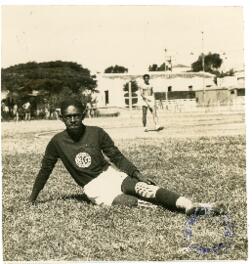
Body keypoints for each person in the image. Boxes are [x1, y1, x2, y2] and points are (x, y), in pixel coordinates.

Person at [29, 98, 224, 216]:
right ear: (61, 117)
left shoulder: (96, 132)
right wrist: (33, 198)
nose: (73, 120)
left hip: (110, 175)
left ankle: (190, 205)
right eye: (68, 116)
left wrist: (137, 174)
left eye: (76, 115)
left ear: (84, 115)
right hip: (93, 188)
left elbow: (116, 156)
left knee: (144, 188)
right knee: (131, 203)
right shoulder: (56, 142)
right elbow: (45, 170)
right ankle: (180, 209)